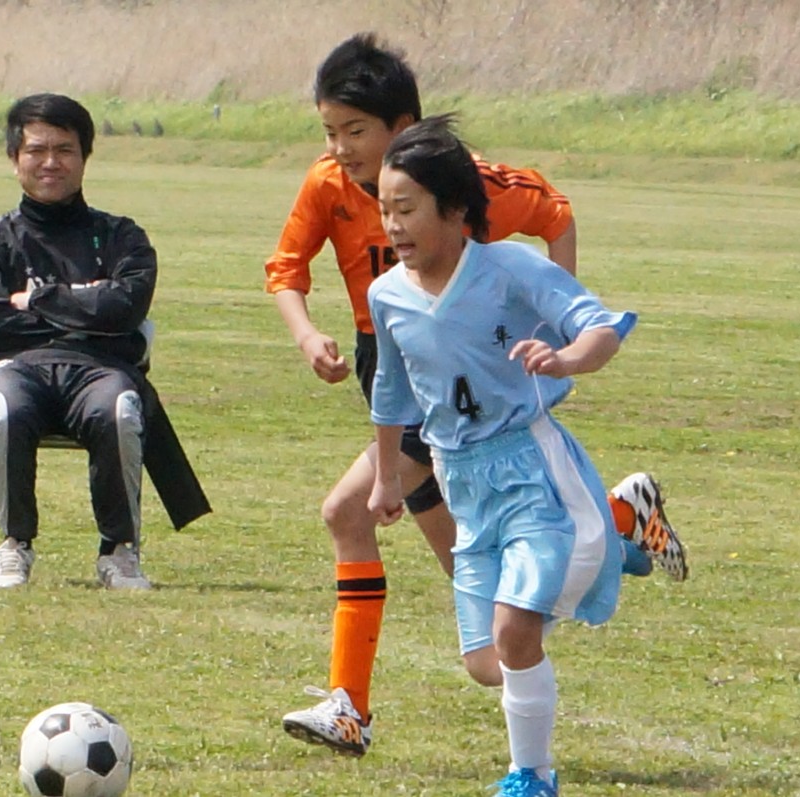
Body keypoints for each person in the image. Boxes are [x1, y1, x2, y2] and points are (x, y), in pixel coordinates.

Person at [266, 33, 686, 756]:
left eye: (354, 131)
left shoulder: (468, 185)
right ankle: (617, 522)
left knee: (349, 514)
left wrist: (545, 334)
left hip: (464, 393)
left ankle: (350, 705)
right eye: (328, 131)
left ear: (403, 128)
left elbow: (555, 215)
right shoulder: (328, 185)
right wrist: (306, 335)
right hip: (398, 371)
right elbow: (285, 267)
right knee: (484, 632)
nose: (339, 148)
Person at [367, 114, 634, 797]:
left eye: (407, 209)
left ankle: (531, 776)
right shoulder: (387, 295)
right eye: (384, 209)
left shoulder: (510, 268)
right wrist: (385, 477)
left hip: (531, 471)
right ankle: (623, 529)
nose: (393, 226)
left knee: (516, 629)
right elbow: (391, 392)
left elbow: (601, 328)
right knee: (488, 661)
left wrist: (565, 357)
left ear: (456, 210)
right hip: (462, 485)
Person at [0, 93, 209, 590]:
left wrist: (37, 299)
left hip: (102, 371)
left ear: (84, 157)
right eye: (36, 150)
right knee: (4, 410)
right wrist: (86, 306)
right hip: (17, 370)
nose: (50, 162)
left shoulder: (123, 237)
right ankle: (14, 545)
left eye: (64, 150)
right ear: (14, 158)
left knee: (119, 410)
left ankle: (119, 552)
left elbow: (126, 309)